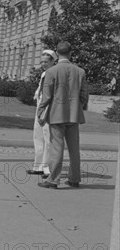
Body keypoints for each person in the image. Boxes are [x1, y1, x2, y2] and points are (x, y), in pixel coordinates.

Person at [37, 41, 89, 189]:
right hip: (74, 114)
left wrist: (40, 111)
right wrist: (80, 106)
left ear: (57, 53)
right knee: (74, 149)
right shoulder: (80, 71)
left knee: (56, 148)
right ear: (70, 52)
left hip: (56, 114)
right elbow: (84, 94)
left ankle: (53, 179)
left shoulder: (51, 72)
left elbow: (46, 96)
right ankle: (74, 178)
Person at [27, 49, 57, 177]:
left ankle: (46, 168)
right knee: (38, 137)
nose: (43, 64)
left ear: (52, 61)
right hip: (40, 108)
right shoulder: (44, 74)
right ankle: (37, 165)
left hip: (48, 109)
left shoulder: (53, 73)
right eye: (42, 61)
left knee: (47, 138)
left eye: (46, 61)